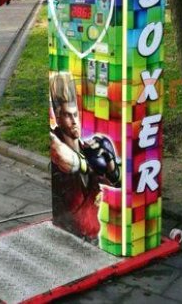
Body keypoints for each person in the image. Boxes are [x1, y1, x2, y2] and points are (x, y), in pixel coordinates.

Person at [49, 72, 121, 238]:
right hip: (66, 235)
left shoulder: (91, 149)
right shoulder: (55, 143)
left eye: (75, 114)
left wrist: (110, 163)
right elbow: (62, 156)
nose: (74, 121)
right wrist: (87, 165)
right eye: (68, 115)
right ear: (58, 118)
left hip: (91, 238)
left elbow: (119, 182)